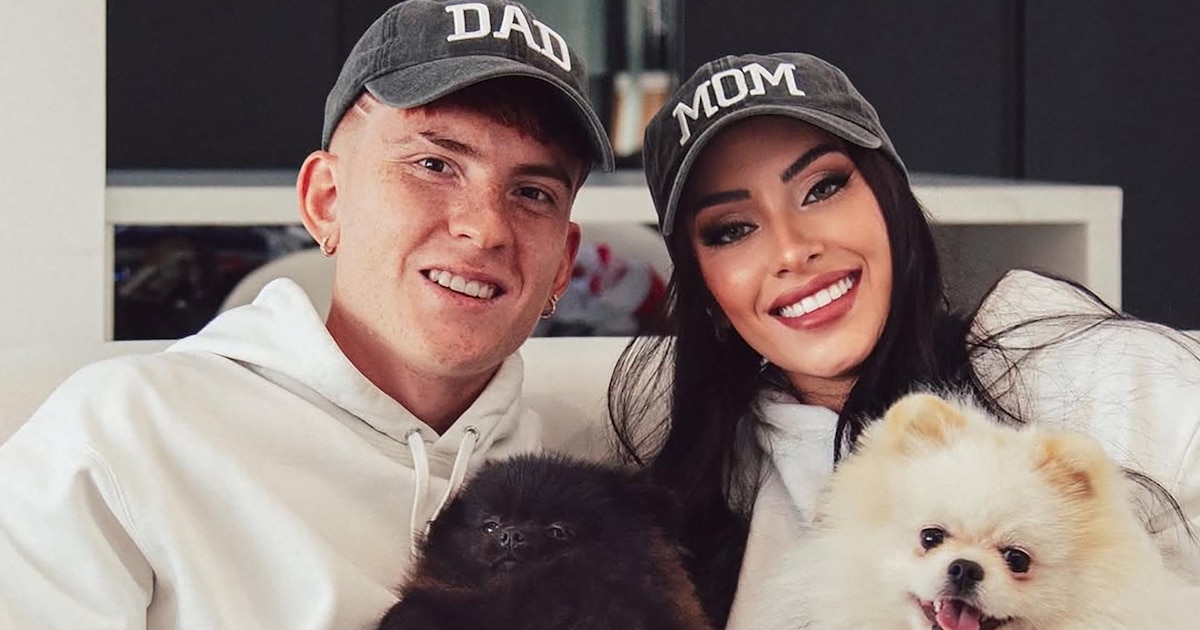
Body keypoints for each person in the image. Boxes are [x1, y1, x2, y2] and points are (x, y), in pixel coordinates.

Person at [0, 1, 614, 628]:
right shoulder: (124, 433)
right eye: (434, 165)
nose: (485, 229)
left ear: (562, 266)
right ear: (327, 201)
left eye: (532, 193)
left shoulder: (596, 484)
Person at [609, 51, 1200, 627]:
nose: (792, 250)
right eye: (732, 229)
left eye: (821, 188)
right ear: (706, 292)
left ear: (891, 202)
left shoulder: (1087, 373)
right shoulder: (703, 501)